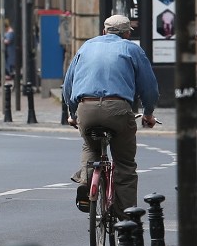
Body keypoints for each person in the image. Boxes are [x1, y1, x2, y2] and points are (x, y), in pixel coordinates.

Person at [62, 14, 159, 220]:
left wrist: (72, 115)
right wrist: (148, 114)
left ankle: (87, 183)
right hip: (118, 108)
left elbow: (68, 85)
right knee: (125, 164)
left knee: (90, 146)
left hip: (85, 108)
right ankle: (126, 221)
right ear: (126, 34)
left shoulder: (86, 47)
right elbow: (149, 88)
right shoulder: (131, 49)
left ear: (104, 31)